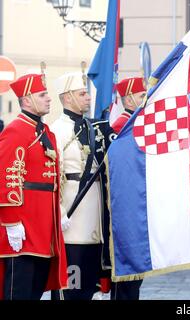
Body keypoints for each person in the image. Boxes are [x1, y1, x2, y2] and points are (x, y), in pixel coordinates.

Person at [0, 73, 68, 300]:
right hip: (24, 224)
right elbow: (7, 176)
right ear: (26, 100)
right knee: (18, 291)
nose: (49, 98)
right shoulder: (16, 130)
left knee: (36, 289)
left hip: (44, 226)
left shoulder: (44, 131)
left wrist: (58, 213)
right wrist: (11, 221)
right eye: (42, 94)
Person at [50, 70, 115, 300]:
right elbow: (53, 176)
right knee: (71, 285)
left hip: (94, 215)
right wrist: (59, 211)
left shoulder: (91, 126)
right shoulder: (57, 130)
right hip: (71, 215)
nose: (88, 97)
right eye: (82, 93)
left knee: (90, 284)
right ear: (67, 98)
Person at [108, 77, 146, 300]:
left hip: (137, 205)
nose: (146, 100)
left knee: (135, 277)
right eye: (142, 96)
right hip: (126, 209)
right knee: (127, 278)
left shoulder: (137, 122)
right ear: (129, 98)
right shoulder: (120, 127)